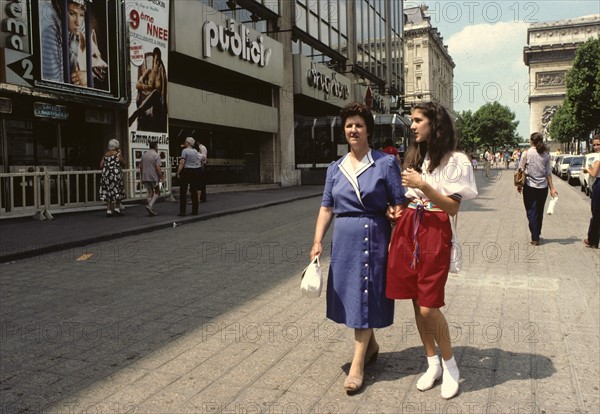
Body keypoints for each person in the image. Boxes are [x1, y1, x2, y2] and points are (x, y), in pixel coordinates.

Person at [310, 102, 406, 394]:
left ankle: (357, 365)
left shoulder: (384, 163)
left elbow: (399, 201)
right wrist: (317, 242)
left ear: (368, 131)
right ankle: (371, 345)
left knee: (366, 294)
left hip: (373, 237)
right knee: (353, 297)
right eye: (349, 125)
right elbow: (327, 207)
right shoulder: (334, 168)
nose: (353, 130)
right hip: (344, 240)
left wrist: (394, 212)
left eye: (359, 125)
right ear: (344, 130)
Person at [386, 101, 478, 400]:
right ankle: (431, 362)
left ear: (433, 124)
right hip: (409, 226)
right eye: (411, 121)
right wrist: (397, 209)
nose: (411, 126)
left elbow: (451, 207)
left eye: (417, 120)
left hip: (435, 230)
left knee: (429, 304)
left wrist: (423, 185)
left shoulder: (456, 161)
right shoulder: (417, 156)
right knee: (415, 300)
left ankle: (451, 366)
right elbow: (410, 196)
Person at [517, 132, 558, 246]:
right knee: (539, 211)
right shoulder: (545, 155)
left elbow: (521, 169)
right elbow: (548, 174)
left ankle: (535, 236)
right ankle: (537, 233)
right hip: (543, 187)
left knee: (531, 211)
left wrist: (519, 185)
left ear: (531, 141)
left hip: (529, 186)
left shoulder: (526, 153)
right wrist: (552, 188)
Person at [40, 0, 88, 85]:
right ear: (60, 8)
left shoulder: (80, 25)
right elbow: (53, 83)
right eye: (72, 13)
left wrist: (87, 75)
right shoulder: (50, 31)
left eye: (81, 15)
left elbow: (95, 61)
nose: (78, 22)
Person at [129, 47, 168, 132]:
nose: (157, 63)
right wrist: (146, 87)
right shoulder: (149, 71)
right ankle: (137, 113)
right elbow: (137, 84)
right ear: (153, 59)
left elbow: (163, 94)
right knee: (154, 94)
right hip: (147, 104)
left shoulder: (162, 73)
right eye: (156, 60)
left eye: (159, 61)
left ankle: (136, 113)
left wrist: (161, 75)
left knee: (157, 93)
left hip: (159, 106)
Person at [99, 139, 126, 217]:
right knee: (117, 189)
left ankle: (108, 209)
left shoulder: (105, 155)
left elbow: (101, 165)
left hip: (106, 175)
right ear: (116, 146)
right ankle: (117, 208)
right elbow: (123, 163)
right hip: (115, 175)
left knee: (108, 190)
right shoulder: (118, 154)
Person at [582, 134, 600, 248]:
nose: (596, 147)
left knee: (596, 214)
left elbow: (593, 174)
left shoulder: (598, 157)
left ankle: (592, 240)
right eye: (594, 145)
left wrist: (587, 169)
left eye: (598, 144)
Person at [176, 137, 201, 216]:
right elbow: (197, 161)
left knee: (183, 191)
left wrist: (178, 172)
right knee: (194, 191)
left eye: (185, 141)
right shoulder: (195, 151)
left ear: (188, 143)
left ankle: (182, 212)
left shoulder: (184, 151)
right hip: (194, 171)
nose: (185, 143)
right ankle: (195, 211)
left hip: (186, 171)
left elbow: (182, 162)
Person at [139, 141, 164, 216]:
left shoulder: (144, 155)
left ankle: (150, 208)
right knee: (158, 191)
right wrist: (161, 177)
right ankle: (150, 206)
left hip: (145, 176)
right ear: (156, 146)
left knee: (150, 192)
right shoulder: (156, 155)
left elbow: (140, 167)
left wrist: (141, 176)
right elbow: (158, 168)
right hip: (153, 176)